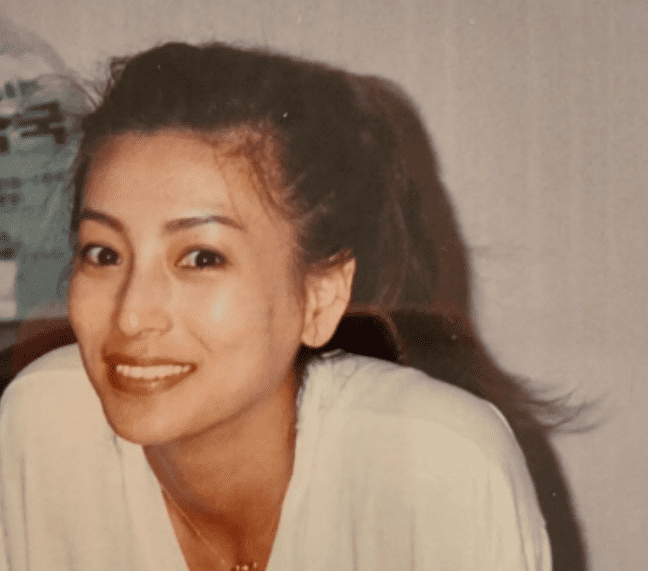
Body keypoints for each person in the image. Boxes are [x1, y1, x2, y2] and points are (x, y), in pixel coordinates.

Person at [0, 41, 567, 570]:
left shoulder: (440, 467)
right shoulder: (44, 427)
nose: (131, 316)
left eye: (200, 258)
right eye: (103, 253)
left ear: (321, 296)